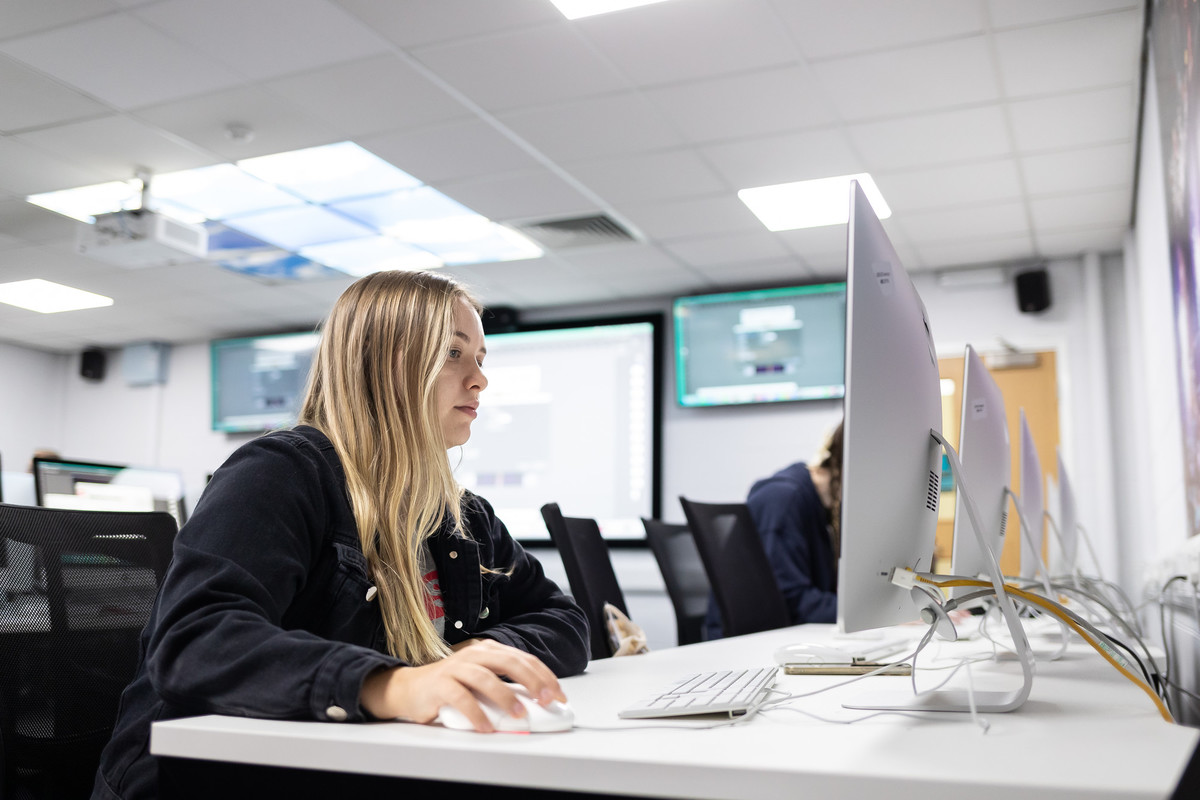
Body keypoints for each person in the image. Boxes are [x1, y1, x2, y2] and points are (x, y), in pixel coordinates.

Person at [92, 270, 590, 800]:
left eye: (481, 360)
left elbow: (564, 620)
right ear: (385, 362)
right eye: (452, 354)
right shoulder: (281, 472)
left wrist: (479, 655)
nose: (479, 380)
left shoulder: (459, 513)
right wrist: (388, 684)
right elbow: (196, 641)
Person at [703, 420, 843, 640]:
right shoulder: (783, 499)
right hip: (745, 645)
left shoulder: (817, 508)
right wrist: (864, 612)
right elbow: (793, 601)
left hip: (780, 638)